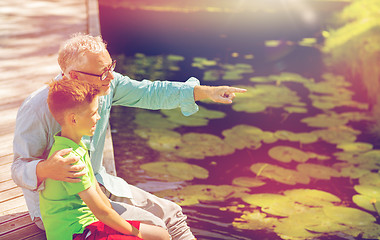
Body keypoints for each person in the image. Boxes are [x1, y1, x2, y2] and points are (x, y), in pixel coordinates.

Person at [12, 33, 246, 240]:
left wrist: (205, 92)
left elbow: (151, 92)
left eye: (111, 67)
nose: (111, 77)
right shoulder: (37, 108)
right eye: (103, 73)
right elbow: (18, 168)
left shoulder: (105, 85)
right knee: (155, 227)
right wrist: (46, 169)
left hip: (98, 184)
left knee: (174, 216)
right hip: (64, 212)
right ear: (73, 76)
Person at [42, 79, 170, 240]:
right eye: (93, 113)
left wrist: (120, 224)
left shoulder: (77, 144)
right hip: (76, 233)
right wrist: (137, 234)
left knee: (162, 235)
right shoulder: (70, 159)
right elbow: (101, 212)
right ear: (73, 120)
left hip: (91, 224)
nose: (98, 117)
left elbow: (97, 192)